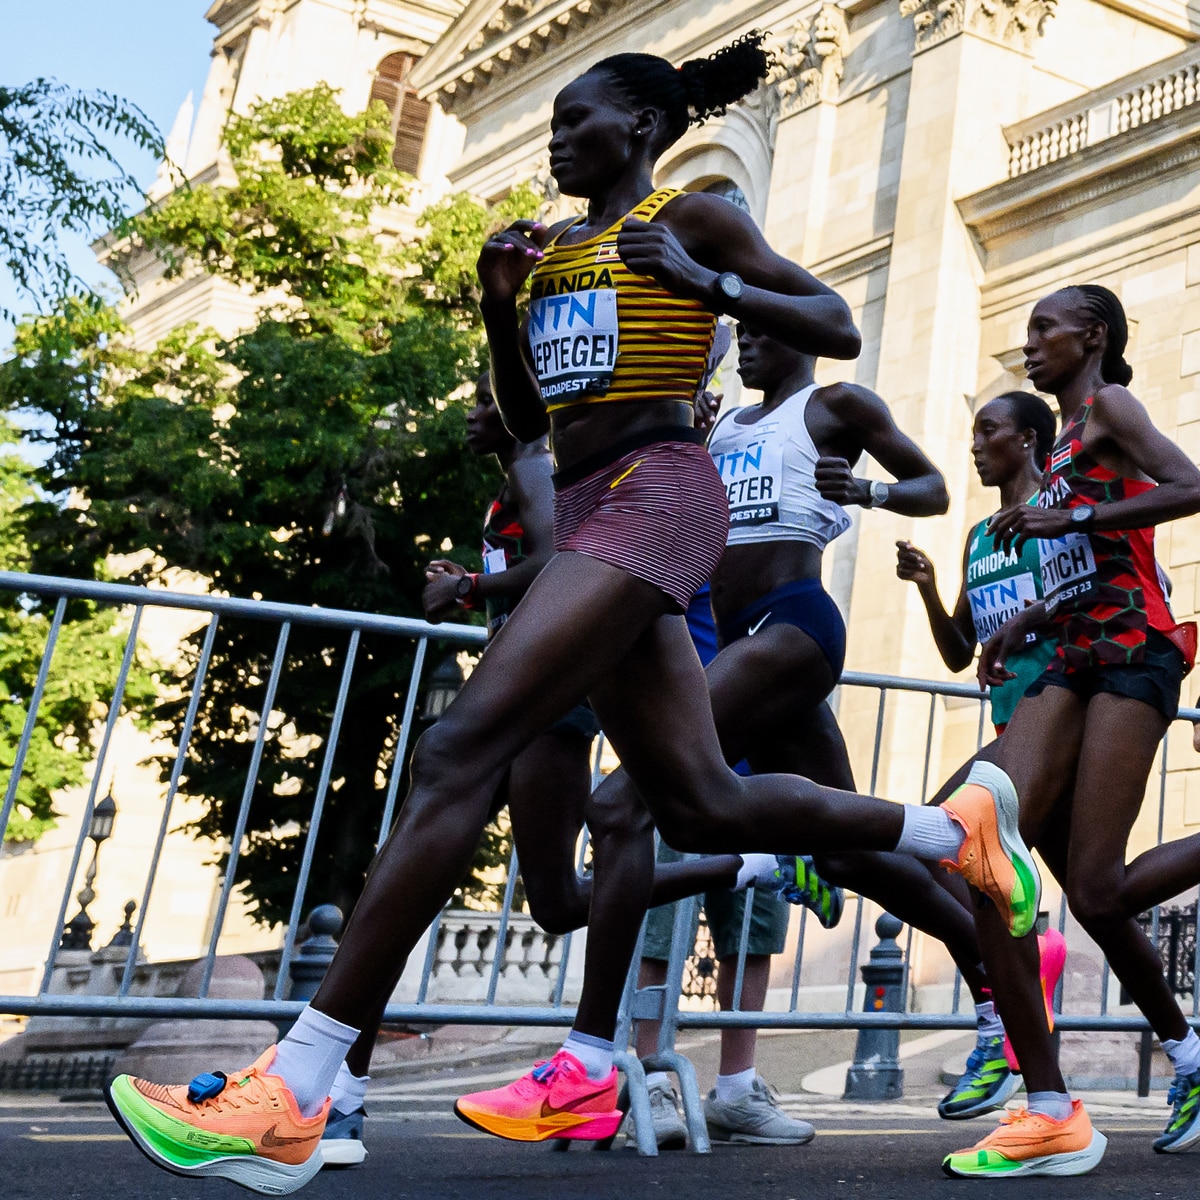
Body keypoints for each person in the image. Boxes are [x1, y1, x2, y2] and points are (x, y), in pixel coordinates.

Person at [104, 35, 1035, 1192]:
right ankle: (954, 835)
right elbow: (525, 419)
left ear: (640, 129)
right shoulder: (547, 256)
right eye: (549, 122)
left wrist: (711, 287)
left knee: (460, 751)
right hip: (592, 503)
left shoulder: (692, 218)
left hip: (661, 492)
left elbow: (835, 318)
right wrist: (500, 305)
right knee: (701, 796)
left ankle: (298, 1082)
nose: (556, 139)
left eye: (576, 120)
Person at [622, 321, 948, 1149]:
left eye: (766, 335)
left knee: (632, 798)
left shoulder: (835, 404)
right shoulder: (724, 424)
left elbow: (932, 485)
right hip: (740, 642)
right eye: (747, 337)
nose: (752, 347)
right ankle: (988, 954)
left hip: (794, 625)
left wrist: (866, 492)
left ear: (800, 342)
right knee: (840, 847)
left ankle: (605, 1063)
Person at [939, 284, 1200, 1177]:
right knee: (988, 838)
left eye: (1045, 328)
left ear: (1091, 335)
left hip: (1133, 650)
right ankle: (1059, 1102)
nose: (1031, 343)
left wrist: (1073, 514)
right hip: (1068, 655)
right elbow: (1074, 563)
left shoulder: (1111, 406)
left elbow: (1191, 488)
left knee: (1096, 888)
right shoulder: (1058, 443)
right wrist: (1022, 619)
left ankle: (1166, 1065)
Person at [893, 390, 1063, 1119]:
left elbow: (1084, 597)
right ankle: (1031, 968)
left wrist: (1025, 628)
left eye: (986, 430)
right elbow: (962, 649)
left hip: (1058, 717)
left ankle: (1008, 1008)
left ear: (1025, 440)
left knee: (940, 837)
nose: (974, 443)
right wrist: (932, 591)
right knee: (1103, 893)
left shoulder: (1057, 514)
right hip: (1008, 735)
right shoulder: (979, 538)